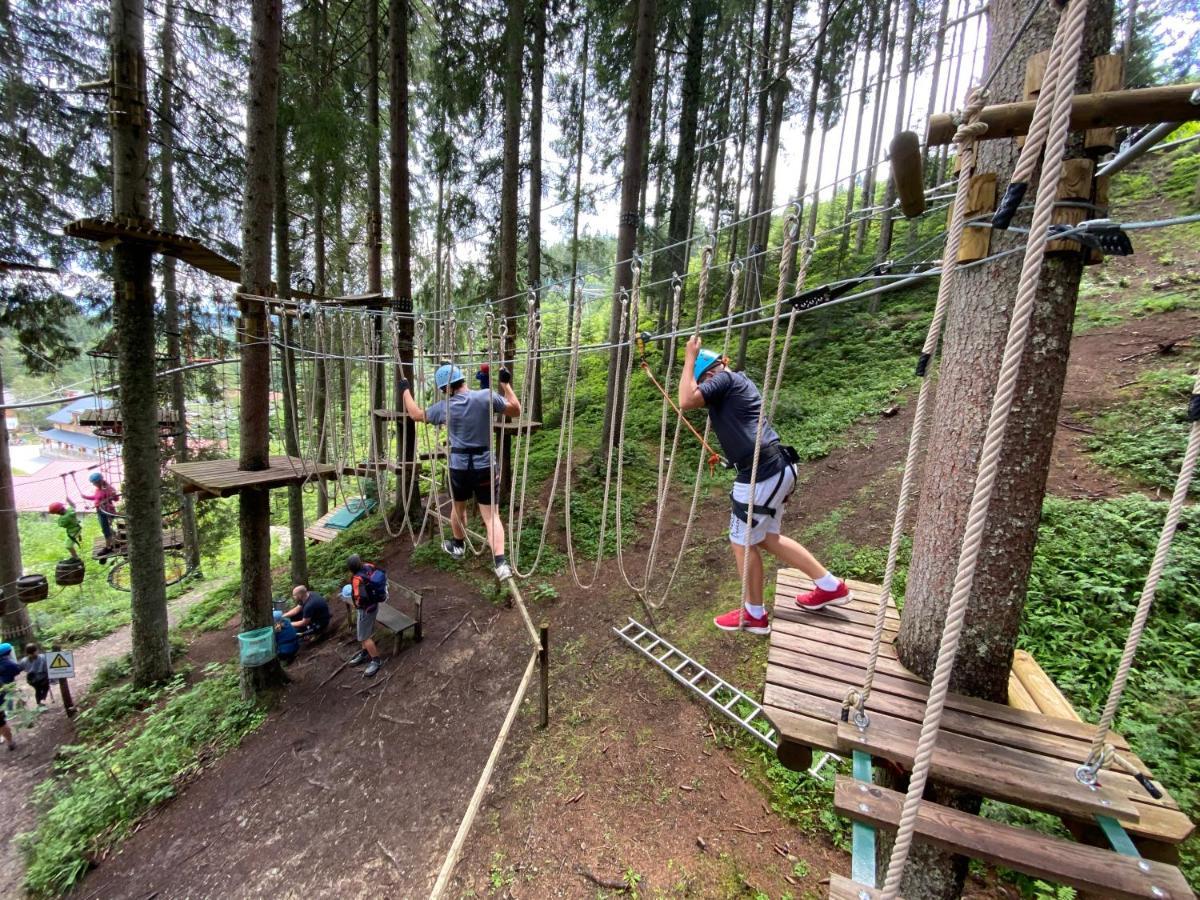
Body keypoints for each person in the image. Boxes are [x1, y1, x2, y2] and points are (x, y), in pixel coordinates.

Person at [679, 335, 851, 635]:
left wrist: (689, 359)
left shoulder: (723, 379)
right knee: (767, 537)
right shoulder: (733, 382)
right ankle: (830, 586)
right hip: (774, 468)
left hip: (762, 473)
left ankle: (754, 614)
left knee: (742, 541)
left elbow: (686, 400)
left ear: (708, 374)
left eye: (702, 380)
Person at [400, 363, 521, 580]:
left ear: (445, 389)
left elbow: (416, 414)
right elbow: (516, 409)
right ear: (463, 380)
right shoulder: (486, 396)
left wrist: (405, 390)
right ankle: (501, 564)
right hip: (484, 465)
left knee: (458, 509)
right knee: (491, 516)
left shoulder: (445, 407)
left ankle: (458, 545)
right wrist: (505, 385)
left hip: (459, 467)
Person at [346, 555, 386, 677]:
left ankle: (376, 660)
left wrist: (356, 604)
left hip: (366, 610)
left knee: (364, 637)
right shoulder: (369, 566)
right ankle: (364, 652)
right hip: (374, 604)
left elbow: (360, 598)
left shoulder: (357, 579)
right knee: (362, 632)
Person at [82, 472, 120, 551]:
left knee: (106, 529)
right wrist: (85, 497)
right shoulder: (99, 489)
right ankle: (115, 538)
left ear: (100, 481)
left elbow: (116, 499)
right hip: (100, 511)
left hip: (107, 512)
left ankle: (108, 547)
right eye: (93, 483)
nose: (93, 484)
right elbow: (96, 497)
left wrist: (113, 495)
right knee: (106, 529)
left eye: (95, 483)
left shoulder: (108, 489)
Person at [0, 643, 21, 751]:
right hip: (5, 692)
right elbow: (17, 670)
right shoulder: (9, 663)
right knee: (2, 721)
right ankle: (10, 741)